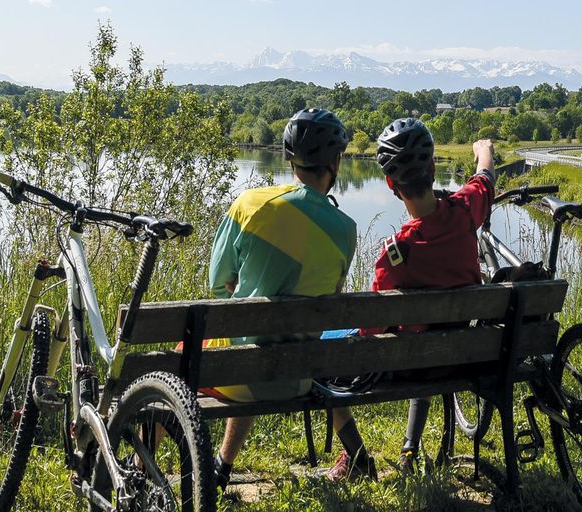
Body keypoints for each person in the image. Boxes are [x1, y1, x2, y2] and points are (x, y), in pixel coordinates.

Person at [207, 107, 371, 488]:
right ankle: (221, 466)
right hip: (300, 374)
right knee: (265, 347)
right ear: (334, 161)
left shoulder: (251, 204)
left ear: (289, 157)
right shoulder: (345, 229)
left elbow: (218, 285)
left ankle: (138, 466)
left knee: (190, 356)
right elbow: (331, 296)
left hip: (239, 372)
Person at [337, 118, 495, 476]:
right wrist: (483, 150)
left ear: (391, 184)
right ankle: (409, 447)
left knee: (340, 342)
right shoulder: (465, 210)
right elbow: (484, 176)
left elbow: (371, 330)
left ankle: (356, 458)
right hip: (465, 356)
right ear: (434, 167)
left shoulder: (395, 254)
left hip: (414, 365)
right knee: (427, 337)